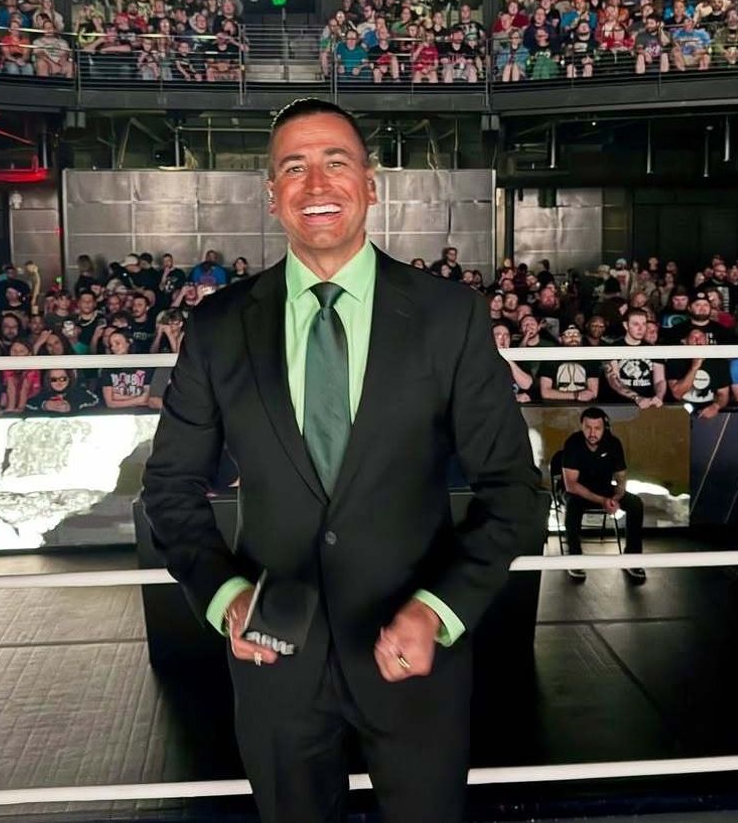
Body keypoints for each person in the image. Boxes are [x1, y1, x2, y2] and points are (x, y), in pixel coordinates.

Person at [142, 97, 541, 823]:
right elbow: (169, 486)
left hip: (416, 657)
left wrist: (441, 609)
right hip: (273, 664)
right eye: (294, 166)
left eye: (336, 161)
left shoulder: (448, 315)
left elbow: (513, 487)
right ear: (271, 194)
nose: (316, 183)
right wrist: (224, 594)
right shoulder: (217, 326)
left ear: (371, 182)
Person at [560, 407, 645, 583]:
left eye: (597, 428)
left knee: (636, 503)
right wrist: (602, 500)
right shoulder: (573, 443)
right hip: (578, 491)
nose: (592, 433)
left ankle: (633, 558)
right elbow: (571, 484)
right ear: (581, 426)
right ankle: (574, 559)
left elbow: (621, 479)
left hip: (604, 488)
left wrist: (615, 498)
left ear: (604, 428)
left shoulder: (613, 443)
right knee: (573, 506)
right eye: (588, 427)